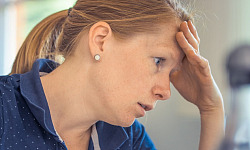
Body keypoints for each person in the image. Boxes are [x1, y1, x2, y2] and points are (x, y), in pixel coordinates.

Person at [0, 0, 225, 149]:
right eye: (158, 61)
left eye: (172, 73)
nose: (165, 92)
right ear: (100, 41)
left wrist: (211, 108)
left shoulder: (128, 139)